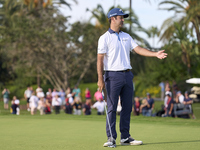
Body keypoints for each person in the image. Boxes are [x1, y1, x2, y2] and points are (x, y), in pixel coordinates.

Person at [97, 8, 167, 147]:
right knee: (111, 108)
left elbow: (138, 49)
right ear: (112, 18)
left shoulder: (126, 36)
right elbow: (99, 60)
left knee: (127, 107)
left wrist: (155, 54)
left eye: (123, 17)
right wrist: (100, 78)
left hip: (127, 75)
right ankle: (111, 138)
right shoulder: (104, 38)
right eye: (120, 17)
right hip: (112, 75)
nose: (123, 19)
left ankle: (125, 137)